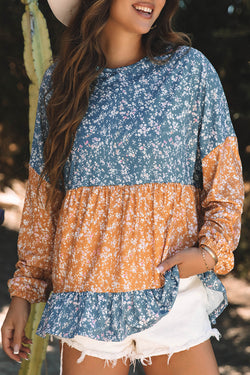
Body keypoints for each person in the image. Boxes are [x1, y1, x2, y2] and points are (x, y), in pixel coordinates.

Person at [1, 1, 244, 374]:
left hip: (170, 289)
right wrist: (24, 292)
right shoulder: (60, 82)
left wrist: (210, 252)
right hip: (85, 293)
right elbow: (43, 196)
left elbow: (224, 179)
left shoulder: (189, 72)